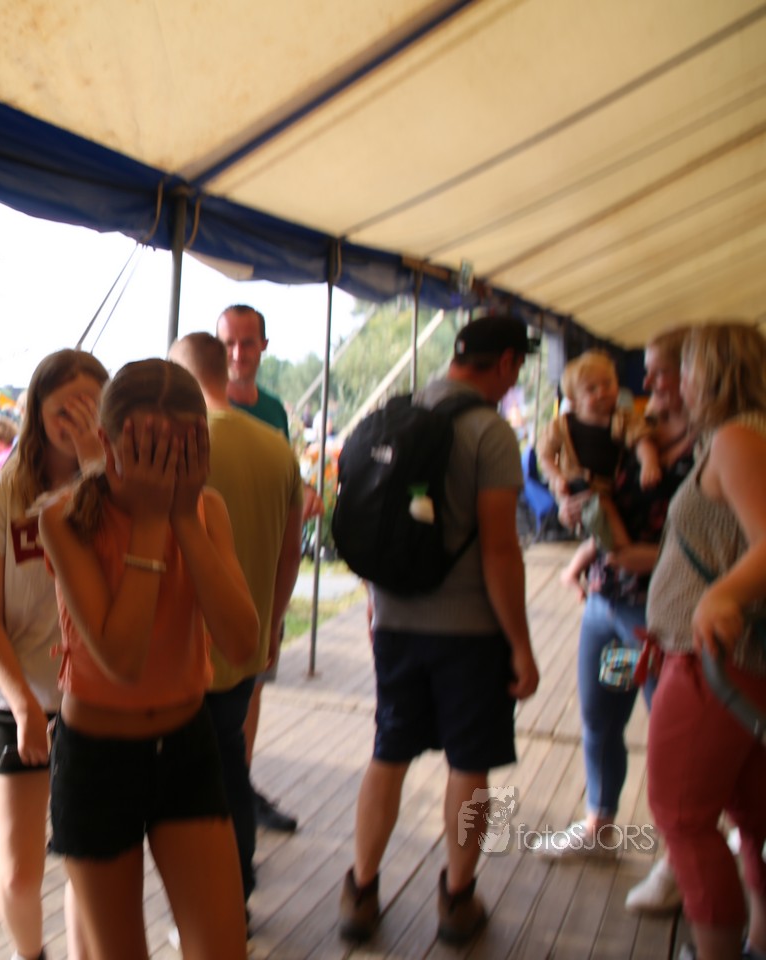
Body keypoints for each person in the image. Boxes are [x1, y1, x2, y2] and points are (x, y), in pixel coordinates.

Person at [38, 359, 259, 960]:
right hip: (97, 761)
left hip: (185, 744)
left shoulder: (206, 509)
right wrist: (154, 520)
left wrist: (183, 515)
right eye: (147, 450)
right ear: (107, 444)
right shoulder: (64, 517)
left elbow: (243, 645)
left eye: (181, 452)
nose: (164, 468)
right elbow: (123, 658)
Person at [339, 315, 540, 945]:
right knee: (470, 765)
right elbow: (500, 549)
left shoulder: (397, 414)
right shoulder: (490, 432)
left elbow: (372, 519)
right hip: (471, 632)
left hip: (395, 622)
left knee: (389, 752)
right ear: (505, 363)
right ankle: (456, 900)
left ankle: (360, 892)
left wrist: (376, 601)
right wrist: (521, 645)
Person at [535, 330, 696, 874]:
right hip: (609, 605)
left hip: (660, 614)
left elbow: (720, 541)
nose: (644, 381)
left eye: (657, 371)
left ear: (692, 373)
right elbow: (598, 500)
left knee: (670, 730)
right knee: (602, 715)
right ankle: (599, 825)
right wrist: (574, 514)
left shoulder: (710, 443)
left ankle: (682, 849)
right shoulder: (632, 428)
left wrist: (641, 556)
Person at [0, 349, 108, 960]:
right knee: (19, 874)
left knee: (88, 862)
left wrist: (99, 470)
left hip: (93, 698)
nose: (76, 418)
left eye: (90, 406)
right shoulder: (2, 498)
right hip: (15, 695)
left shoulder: (115, 493)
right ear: (36, 411)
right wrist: (25, 706)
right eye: (64, 407)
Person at [168, 333, 305, 914]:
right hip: (247, 644)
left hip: (185, 650)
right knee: (232, 770)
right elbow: (291, 551)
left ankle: (211, 907)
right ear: (224, 370)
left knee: (191, 790)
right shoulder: (278, 447)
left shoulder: (182, 445)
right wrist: (272, 624)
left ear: (180, 376)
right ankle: (238, 891)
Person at [644, 322, 766, 960]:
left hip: (714, 663)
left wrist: (721, 596)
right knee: (752, 816)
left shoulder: (737, 437)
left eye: (684, 369)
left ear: (712, 374)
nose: (676, 382)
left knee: (683, 818)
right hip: (735, 662)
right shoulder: (742, 435)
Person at [215, 303, 319, 833]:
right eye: (228, 343)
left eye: (247, 342)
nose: (238, 353)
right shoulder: (203, 408)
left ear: (263, 347)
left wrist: (303, 497)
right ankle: (217, 797)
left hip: (260, 568)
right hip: (213, 571)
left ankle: (241, 784)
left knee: (253, 684)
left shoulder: (275, 411)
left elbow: (286, 484)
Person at [537, 349, 661, 582]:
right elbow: (545, 455)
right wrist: (556, 477)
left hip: (607, 486)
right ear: (573, 399)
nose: (602, 392)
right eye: (592, 389)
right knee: (603, 515)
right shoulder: (562, 425)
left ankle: (572, 572)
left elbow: (641, 439)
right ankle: (624, 553)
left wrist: (649, 462)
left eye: (608, 384)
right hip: (577, 485)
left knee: (600, 531)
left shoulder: (622, 419)